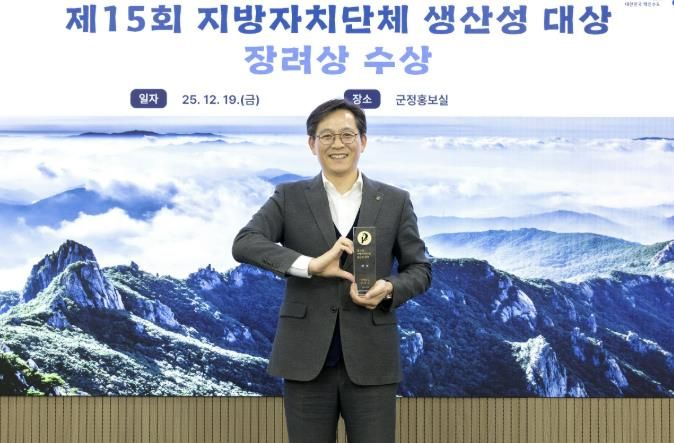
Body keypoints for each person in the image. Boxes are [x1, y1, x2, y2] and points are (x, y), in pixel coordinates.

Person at [231, 98, 431, 443]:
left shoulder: (395, 200)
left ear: (363, 141)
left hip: (372, 359)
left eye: (347, 134)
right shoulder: (289, 196)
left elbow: (420, 269)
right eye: (326, 136)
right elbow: (245, 242)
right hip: (305, 359)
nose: (338, 143)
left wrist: (389, 289)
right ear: (312, 144)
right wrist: (309, 265)